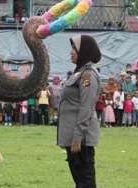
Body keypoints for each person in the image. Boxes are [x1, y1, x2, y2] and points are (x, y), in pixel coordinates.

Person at [57, 35, 101, 188]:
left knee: (85, 183)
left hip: (81, 139)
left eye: (74, 49)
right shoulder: (79, 73)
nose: (71, 52)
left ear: (84, 52)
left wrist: (77, 137)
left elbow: (86, 107)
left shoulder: (87, 75)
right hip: (74, 138)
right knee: (81, 182)